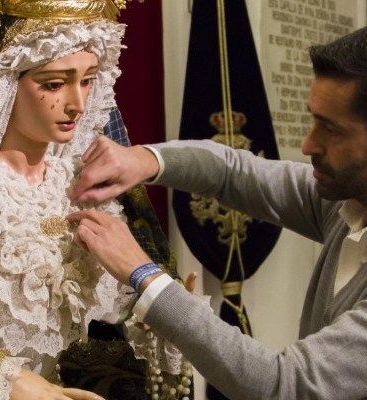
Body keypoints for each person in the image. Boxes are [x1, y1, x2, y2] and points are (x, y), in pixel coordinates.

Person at [67, 26, 367, 399]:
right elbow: (232, 172)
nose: (308, 144)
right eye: (313, 120)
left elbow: (286, 385)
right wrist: (144, 159)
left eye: (331, 129)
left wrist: (145, 275)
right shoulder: (348, 199)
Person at [0, 1, 189, 399]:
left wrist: (156, 320)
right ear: (5, 81)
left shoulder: (89, 192)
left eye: (88, 80)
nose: (77, 103)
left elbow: (102, 338)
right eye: (54, 84)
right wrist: (1, 380)